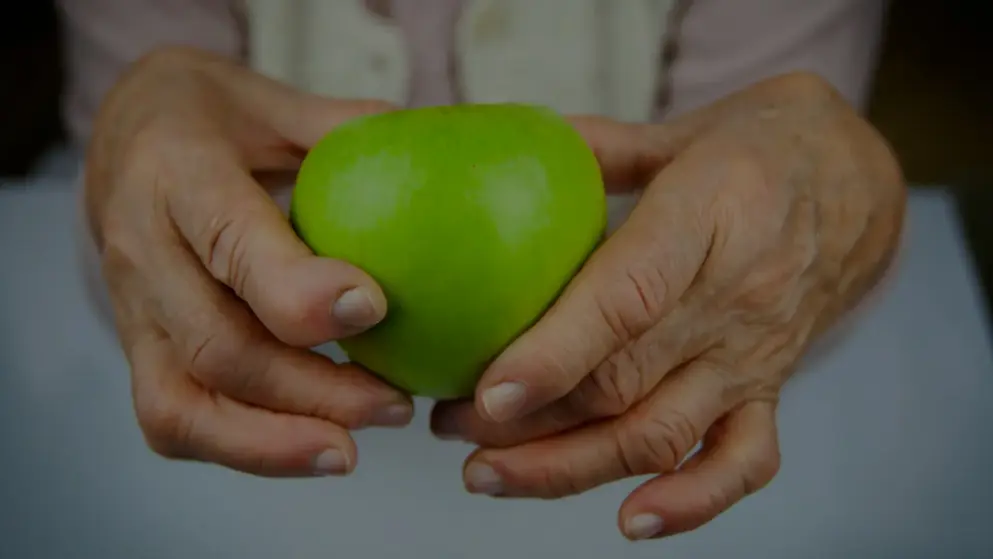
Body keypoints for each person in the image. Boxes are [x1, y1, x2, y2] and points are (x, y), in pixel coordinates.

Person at [60, 0, 905, 542]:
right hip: (247, 505)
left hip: (665, 466)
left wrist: (823, 200)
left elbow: (772, 198)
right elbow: (146, 215)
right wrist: (129, 156)